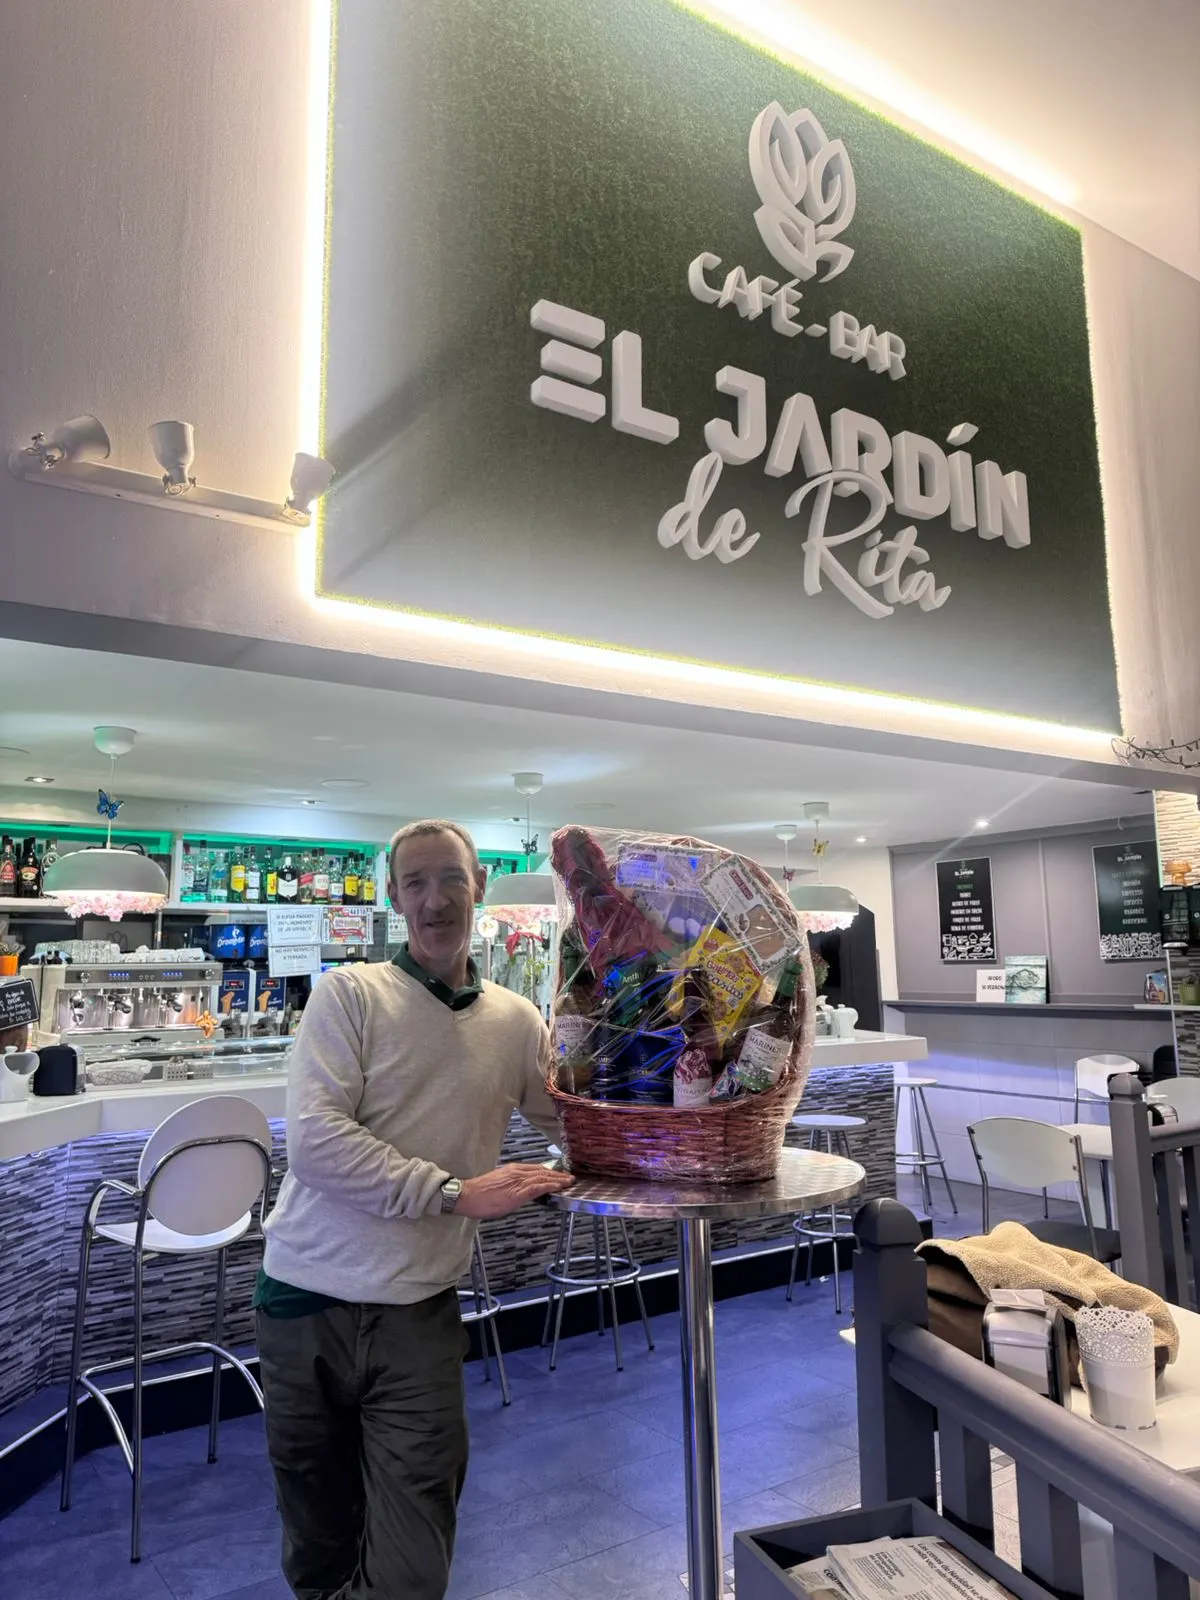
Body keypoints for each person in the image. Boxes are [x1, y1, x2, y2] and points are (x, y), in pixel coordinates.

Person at [256, 819, 573, 1600]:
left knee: (412, 1569)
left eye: (451, 879)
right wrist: (456, 1193)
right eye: (416, 883)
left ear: (479, 887)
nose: (436, 900)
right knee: (318, 1550)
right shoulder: (349, 995)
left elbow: (574, 1125)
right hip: (304, 1304)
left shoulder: (515, 1021)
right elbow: (317, 1144)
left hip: (418, 1311)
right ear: (395, 898)